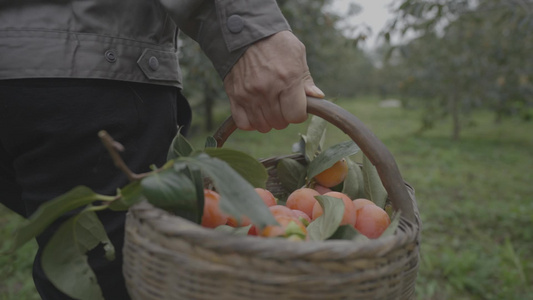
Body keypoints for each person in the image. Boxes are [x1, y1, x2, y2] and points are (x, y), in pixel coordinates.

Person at [0, 1, 324, 299]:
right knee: (117, 277)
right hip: (95, 66)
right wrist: (250, 29)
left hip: (26, 64)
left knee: (74, 251)